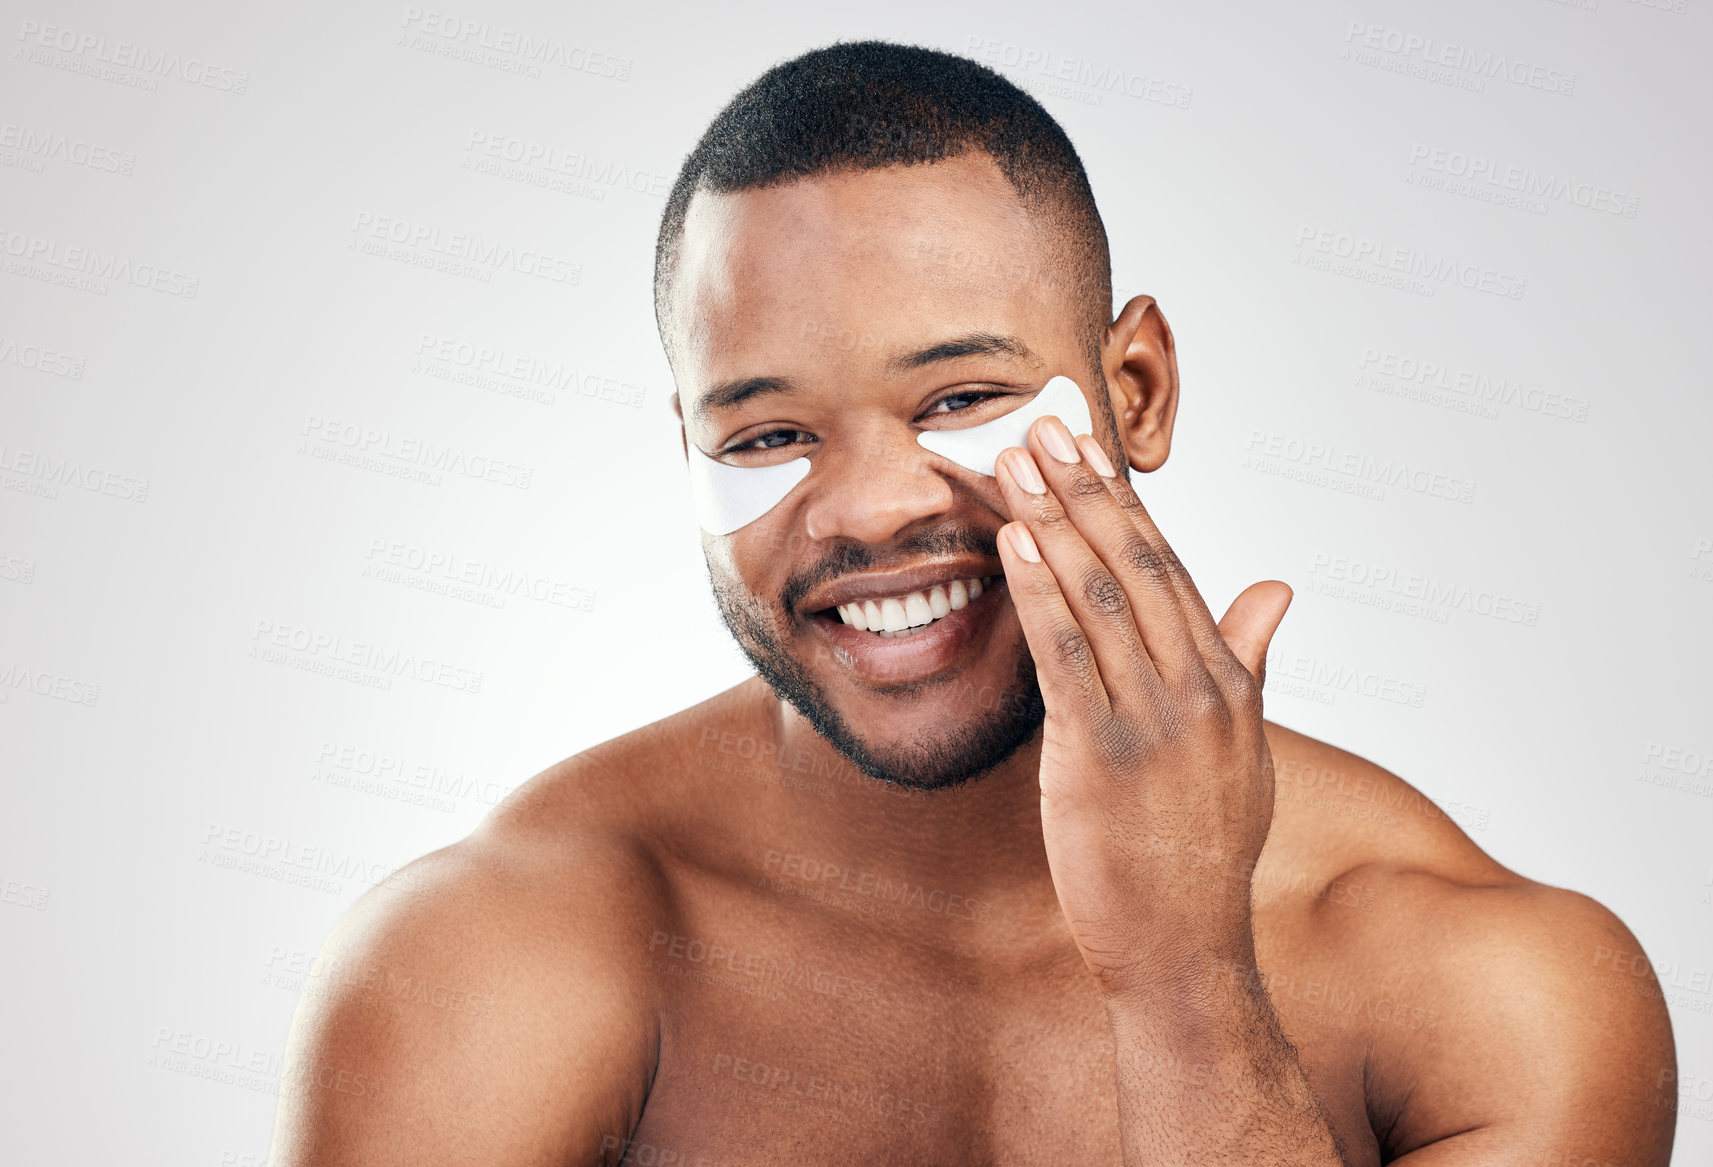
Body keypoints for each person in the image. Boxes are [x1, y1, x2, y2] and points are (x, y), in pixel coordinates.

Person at [270, 41, 1676, 1166]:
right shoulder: (497, 956)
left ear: (1135, 391)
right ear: (686, 449)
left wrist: (1186, 979)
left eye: (960, 398)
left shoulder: (1493, 987)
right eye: (764, 434)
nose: (870, 508)